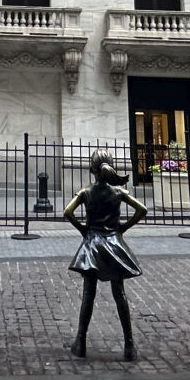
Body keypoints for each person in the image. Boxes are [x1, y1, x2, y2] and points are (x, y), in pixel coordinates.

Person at [62, 150, 148, 360]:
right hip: (113, 244)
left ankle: (81, 341)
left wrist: (83, 229)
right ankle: (129, 345)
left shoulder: (86, 192)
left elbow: (67, 212)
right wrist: (123, 228)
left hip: (92, 245)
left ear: (92, 170)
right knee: (119, 294)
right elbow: (142, 209)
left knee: (88, 296)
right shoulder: (118, 193)